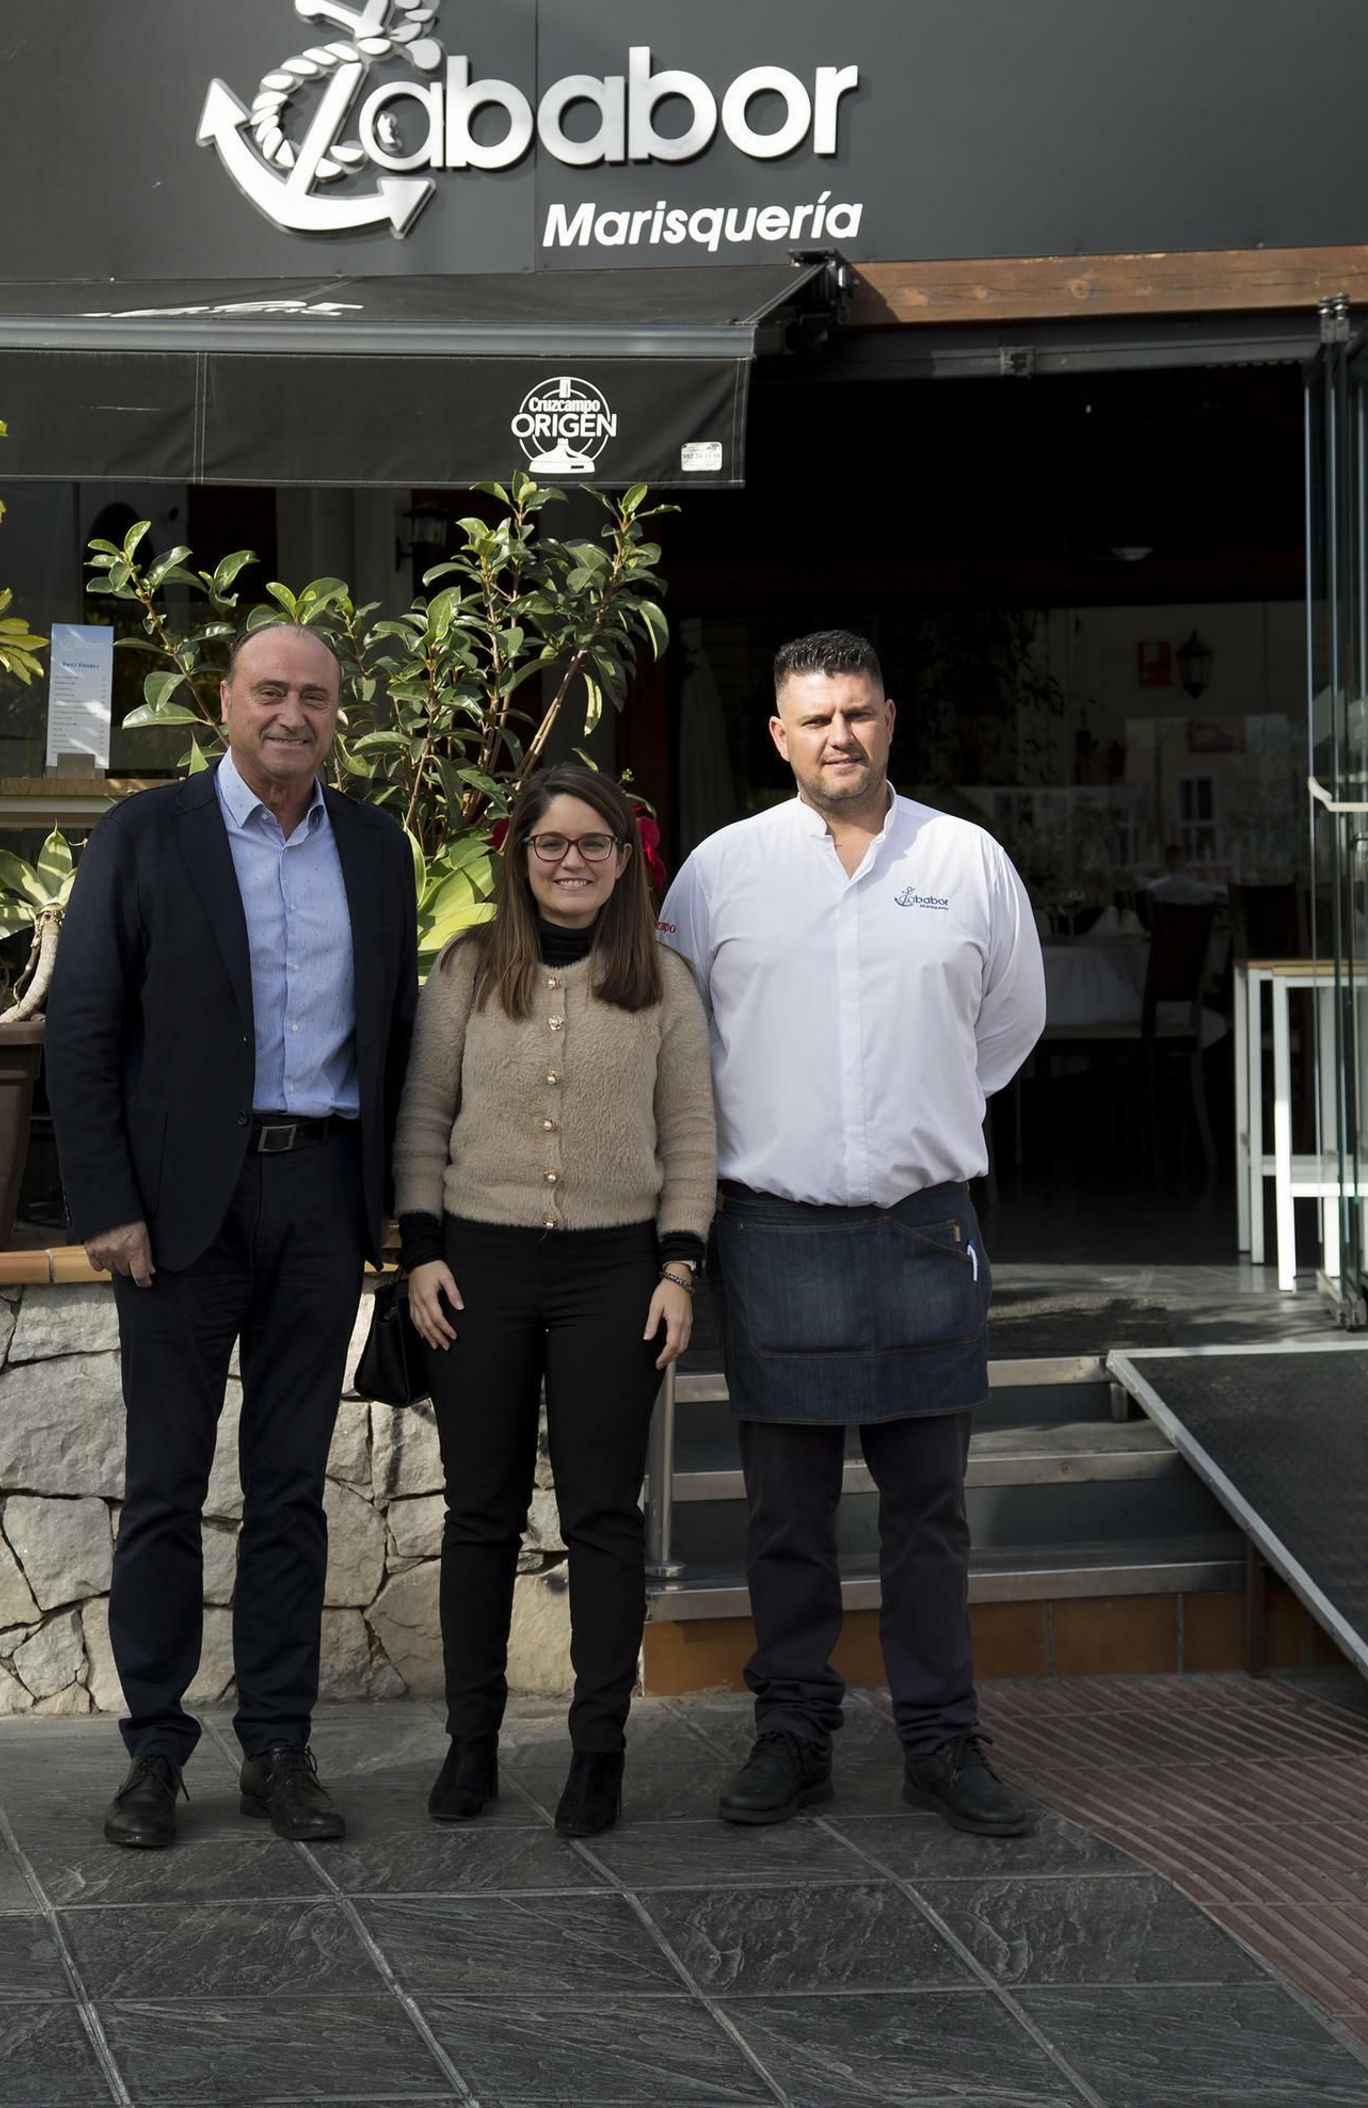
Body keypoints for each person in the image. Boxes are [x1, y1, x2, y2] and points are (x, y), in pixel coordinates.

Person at [659, 629, 1045, 1836]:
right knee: (785, 1516)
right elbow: (681, 1051)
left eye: (860, 713)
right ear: (776, 736)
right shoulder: (719, 873)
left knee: (929, 1514)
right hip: (774, 1234)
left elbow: (1006, 1030)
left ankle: (941, 1738)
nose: (841, 735)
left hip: (924, 1232)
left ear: (889, 722)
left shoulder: (967, 859)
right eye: (816, 718)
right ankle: (793, 1732)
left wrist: (900, 1124)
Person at [46, 623, 417, 1851]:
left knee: (289, 1492)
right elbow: (83, 1032)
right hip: (178, 1214)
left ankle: (277, 1745)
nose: (292, 714)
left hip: (319, 1199)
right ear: (225, 703)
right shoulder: (144, 836)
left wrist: (391, 1212)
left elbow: (397, 1036)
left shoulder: (374, 847)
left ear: (335, 714)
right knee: (161, 1487)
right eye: (271, 692)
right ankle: (155, 1752)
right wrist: (105, 1203)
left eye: (314, 696)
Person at [394, 764, 716, 1838]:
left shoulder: (664, 984)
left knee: (602, 1518)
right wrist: (421, 1254)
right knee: (479, 1515)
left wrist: (678, 1269)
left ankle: (597, 1754)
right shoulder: (469, 972)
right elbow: (423, 1118)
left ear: (624, 862)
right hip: (475, 1271)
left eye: (591, 844)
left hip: (615, 1276)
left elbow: (690, 1139)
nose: (569, 861)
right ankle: (470, 1745)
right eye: (548, 844)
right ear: (518, 859)